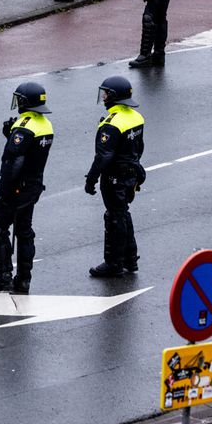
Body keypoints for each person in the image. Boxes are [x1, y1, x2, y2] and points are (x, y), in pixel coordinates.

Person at [0, 81, 53, 295]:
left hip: (16, 189)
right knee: (24, 231)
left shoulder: (24, 128)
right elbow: (31, 154)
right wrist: (10, 135)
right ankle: (23, 280)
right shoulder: (44, 124)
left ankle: (2, 277)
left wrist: (4, 191)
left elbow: (15, 162)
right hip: (33, 187)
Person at [84, 75, 145, 277]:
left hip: (114, 178)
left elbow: (103, 157)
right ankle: (130, 258)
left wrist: (91, 179)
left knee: (114, 218)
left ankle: (113, 263)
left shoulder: (111, 124)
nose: (103, 97)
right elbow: (139, 147)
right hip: (131, 175)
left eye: (106, 93)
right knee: (122, 213)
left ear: (115, 97)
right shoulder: (136, 117)